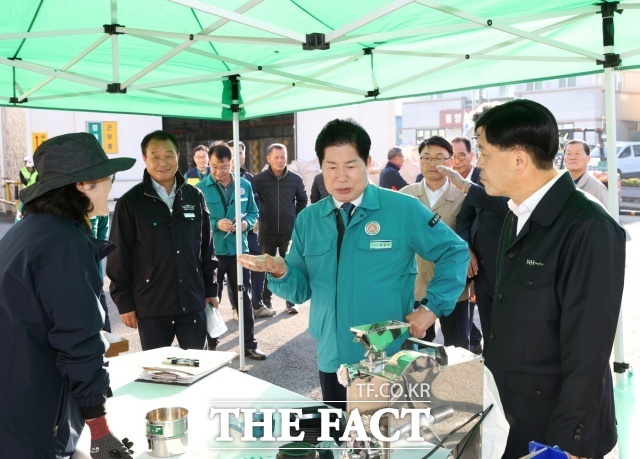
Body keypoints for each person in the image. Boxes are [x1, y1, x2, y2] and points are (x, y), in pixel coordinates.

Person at [239, 119, 469, 410]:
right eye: (331, 167)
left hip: (385, 357)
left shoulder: (402, 209)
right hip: (331, 357)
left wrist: (431, 308)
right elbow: (299, 291)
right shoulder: (310, 219)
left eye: (350, 165)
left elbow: (454, 251)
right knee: (337, 439)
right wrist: (280, 270)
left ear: (368, 162)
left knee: (382, 445)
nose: (341, 177)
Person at [450, 99, 625, 458]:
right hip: (513, 415)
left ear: (518, 159)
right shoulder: (516, 213)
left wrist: (565, 445)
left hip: (555, 429)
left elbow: (588, 353)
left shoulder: (588, 226)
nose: (477, 163)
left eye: (483, 152)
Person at [0, 133, 135, 458]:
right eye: (108, 178)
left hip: (14, 400)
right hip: (37, 412)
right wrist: (100, 430)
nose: (111, 186)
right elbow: (77, 342)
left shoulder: (26, 229)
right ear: (83, 185)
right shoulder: (65, 244)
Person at [107, 130, 219, 351]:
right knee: (157, 373)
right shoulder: (131, 202)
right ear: (145, 159)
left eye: (168, 155)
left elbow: (207, 249)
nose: (162, 163)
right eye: (155, 156)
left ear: (178, 155)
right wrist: (124, 303)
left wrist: (211, 289)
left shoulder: (194, 196)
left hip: (192, 301)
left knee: (199, 367)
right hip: (152, 306)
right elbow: (119, 256)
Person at [196, 143, 266, 360]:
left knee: (244, 298)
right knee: (211, 299)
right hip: (213, 253)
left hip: (239, 251)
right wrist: (217, 224)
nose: (218, 171)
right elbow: (197, 220)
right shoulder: (200, 188)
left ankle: (249, 345)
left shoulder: (244, 184)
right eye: (214, 166)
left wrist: (246, 224)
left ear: (231, 163)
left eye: (224, 167)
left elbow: (254, 212)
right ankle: (211, 345)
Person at [400, 136, 470, 349]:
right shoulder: (406, 196)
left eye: (439, 158)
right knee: (416, 347)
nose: (432, 164)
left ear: (451, 161)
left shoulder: (463, 197)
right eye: (426, 158)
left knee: (457, 346)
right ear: (419, 161)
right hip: (415, 286)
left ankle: (458, 384)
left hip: (453, 288)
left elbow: (470, 238)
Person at [253, 143, 308, 314]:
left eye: (283, 156)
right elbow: (253, 200)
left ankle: (291, 301)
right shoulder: (258, 179)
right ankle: (266, 301)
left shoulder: (295, 179)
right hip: (266, 231)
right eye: (276, 157)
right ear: (268, 159)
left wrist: (295, 217)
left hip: (289, 231)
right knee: (266, 266)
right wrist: (259, 216)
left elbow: (303, 200)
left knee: (290, 266)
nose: (280, 160)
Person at [228, 140, 274, 319]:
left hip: (250, 232)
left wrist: (255, 220)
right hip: (230, 234)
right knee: (235, 270)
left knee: (258, 265)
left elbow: (257, 203)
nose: (236, 156)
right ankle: (237, 308)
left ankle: (256, 304)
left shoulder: (249, 178)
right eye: (232, 153)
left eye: (239, 152)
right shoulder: (220, 178)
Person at [450, 135, 484, 353]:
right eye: (452, 156)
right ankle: (473, 340)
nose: (457, 160)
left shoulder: (484, 178)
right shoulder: (437, 177)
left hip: (479, 259)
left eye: (461, 155)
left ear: (471, 155)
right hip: (452, 255)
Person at [563, 139, 609, 209]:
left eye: (577, 153)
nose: (572, 157)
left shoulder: (598, 189)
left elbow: (603, 219)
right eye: (568, 154)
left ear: (588, 159)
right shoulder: (555, 184)